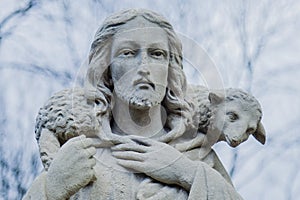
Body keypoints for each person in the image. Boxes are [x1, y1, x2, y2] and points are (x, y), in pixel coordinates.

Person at [23, 9, 243, 200]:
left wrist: (185, 173)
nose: (144, 67)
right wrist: (51, 189)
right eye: (127, 53)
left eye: (157, 54)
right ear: (106, 70)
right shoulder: (78, 157)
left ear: (170, 69)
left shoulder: (197, 158)